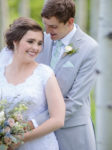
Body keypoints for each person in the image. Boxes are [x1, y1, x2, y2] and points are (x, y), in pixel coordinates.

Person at [0, 0, 98, 150]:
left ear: (70, 22)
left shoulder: (89, 48)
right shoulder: (39, 41)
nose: (47, 30)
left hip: (71, 131)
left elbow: (74, 101)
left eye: (53, 26)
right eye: (45, 24)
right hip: (29, 133)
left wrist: (33, 123)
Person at [0, 17, 65, 150]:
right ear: (15, 41)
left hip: (39, 145)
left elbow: (58, 119)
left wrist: (19, 138)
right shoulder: (1, 70)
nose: (35, 48)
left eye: (39, 43)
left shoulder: (45, 74)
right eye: (30, 41)